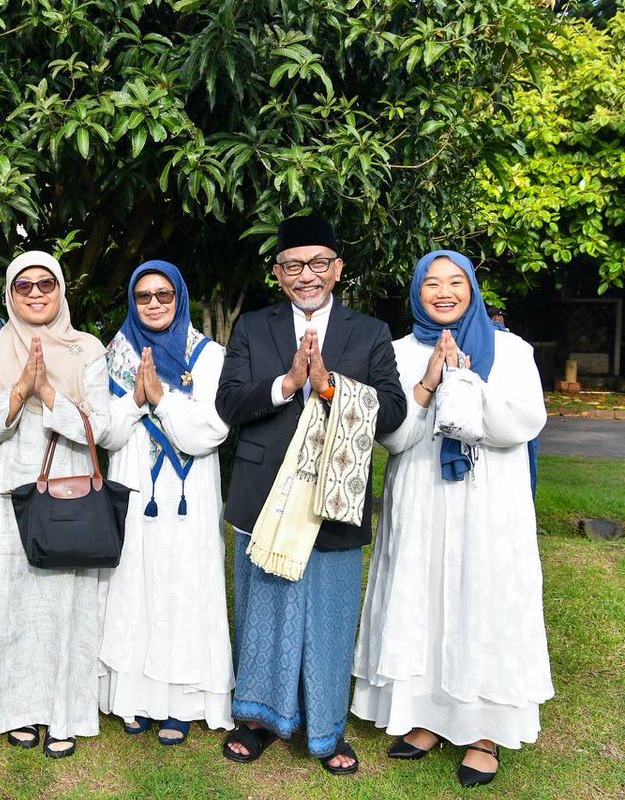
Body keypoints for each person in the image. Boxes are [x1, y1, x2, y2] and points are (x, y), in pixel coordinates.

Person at [351, 250, 552, 788]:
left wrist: (465, 384)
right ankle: (425, 716)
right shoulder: (397, 352)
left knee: (480, 598)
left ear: (472, 289)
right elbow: (393, 437)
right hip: (421, 494)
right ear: (417, 292)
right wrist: (428, 383)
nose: (443, 292)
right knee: (424, 596)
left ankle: (483, 732)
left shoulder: (510, 350)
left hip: (488, 500)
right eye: (432, 283)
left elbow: (524, 422)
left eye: (455, 282)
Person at [215, 215, 406, 774]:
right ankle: (257, 720)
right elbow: (230, 402)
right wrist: (289, 384)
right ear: (278, 274)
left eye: (318, 262)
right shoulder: (253, 327)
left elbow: (393, 412)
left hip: (334, 496)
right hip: (266, 493)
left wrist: (327, 386)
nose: (307, 275)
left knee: (328, 614)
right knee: (265, 609)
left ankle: (326, 727)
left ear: (338, 269)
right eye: (293, 265)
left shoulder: (370, 332)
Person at [0, 250, 109, 759]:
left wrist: (47, 393)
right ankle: (14, 708)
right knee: (8, 594)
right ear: (10, 294)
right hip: (5, 484)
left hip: (67, 480)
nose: (36, 293)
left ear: (61, 289)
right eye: (23, 285)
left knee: (62, 597)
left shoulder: (86, 348)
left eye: (46, 283)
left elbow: (101, 427)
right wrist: (19, 389)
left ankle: (63, 712)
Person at [98, 260, 234, 745]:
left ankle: (181, 702)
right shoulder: (115, 353)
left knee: (184, 583)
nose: (153, 304)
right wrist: (136, 400)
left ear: (180, 297)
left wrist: (162, 399)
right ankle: (133, 695)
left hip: (187, 494)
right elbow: (107, 434)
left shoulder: (208, 356)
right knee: (134, 582)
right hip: (134, 483)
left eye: (164, 295)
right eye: (143, 296)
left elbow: (210, 431)